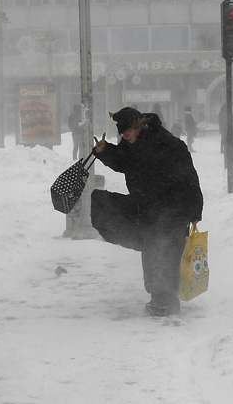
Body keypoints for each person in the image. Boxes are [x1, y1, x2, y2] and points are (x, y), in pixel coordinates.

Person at [90, 107, 204, 317]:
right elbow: (123, 162)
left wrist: (195, 211)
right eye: (122, 134)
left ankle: (166, 300)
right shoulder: (133, 145)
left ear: (139, 126)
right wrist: (105, 151)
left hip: (174, 209)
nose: (126, 136)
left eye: (128, 132)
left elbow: (190, 176)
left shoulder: (169, 145)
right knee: (153, 251)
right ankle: (160, 299)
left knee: (166, 252)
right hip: (149, 209)